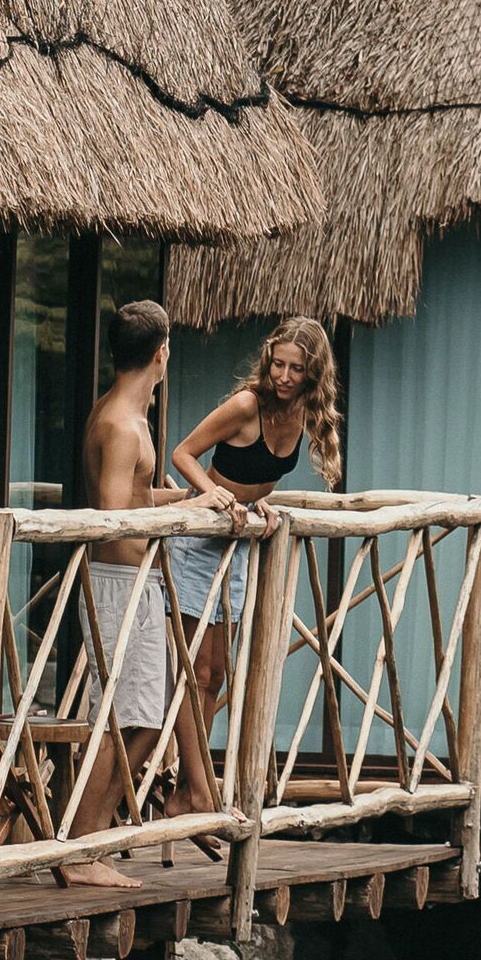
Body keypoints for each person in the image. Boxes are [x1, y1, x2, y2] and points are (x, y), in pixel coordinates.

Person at [168, 317, 342, 773]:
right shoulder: (247, 404)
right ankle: (196, 784)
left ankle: (192, 785)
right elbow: (183, 453)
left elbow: (255, 475)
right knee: (195, 673)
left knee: (218, 674)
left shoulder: (303, 412)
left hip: (238, 544)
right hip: (200, 540)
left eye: (296, 369)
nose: (284, 377)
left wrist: (261, 500)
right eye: (278, 365)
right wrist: (209, 493)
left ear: (313, 373)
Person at [82, 298, 194, 810]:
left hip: (132, 583)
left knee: (147, 716)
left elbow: (131, 496)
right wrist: (167, 516)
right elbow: (112, 512)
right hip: (118, 583)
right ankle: (85, 837)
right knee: (124, 718)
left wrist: (194, 498)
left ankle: (93, 835)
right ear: (162, 354)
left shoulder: (121, 414)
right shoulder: (122, 425)